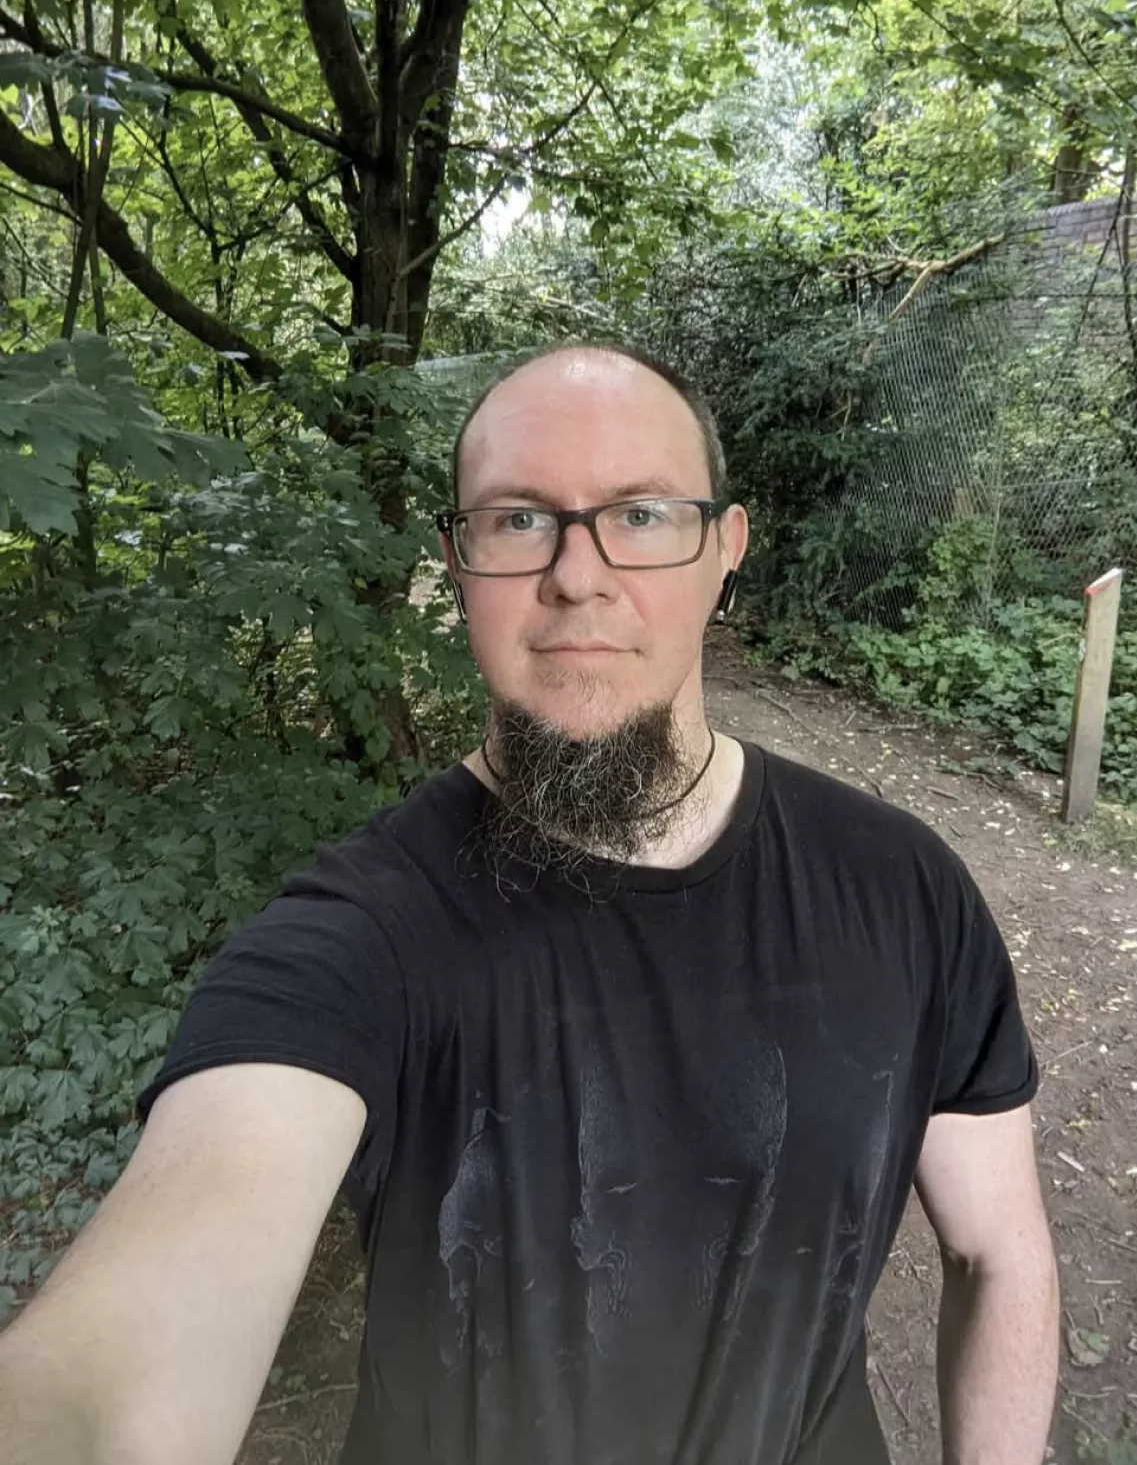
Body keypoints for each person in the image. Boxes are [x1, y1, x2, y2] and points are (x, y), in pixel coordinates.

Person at [0, 344, 1059, 1465]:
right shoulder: (358, 940)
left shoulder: (900, 886)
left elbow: (997, 1252)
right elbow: (120, 1374)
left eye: (640, 514)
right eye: (517, 520)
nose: (576, 575)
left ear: (726, 548)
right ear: (457, 565)